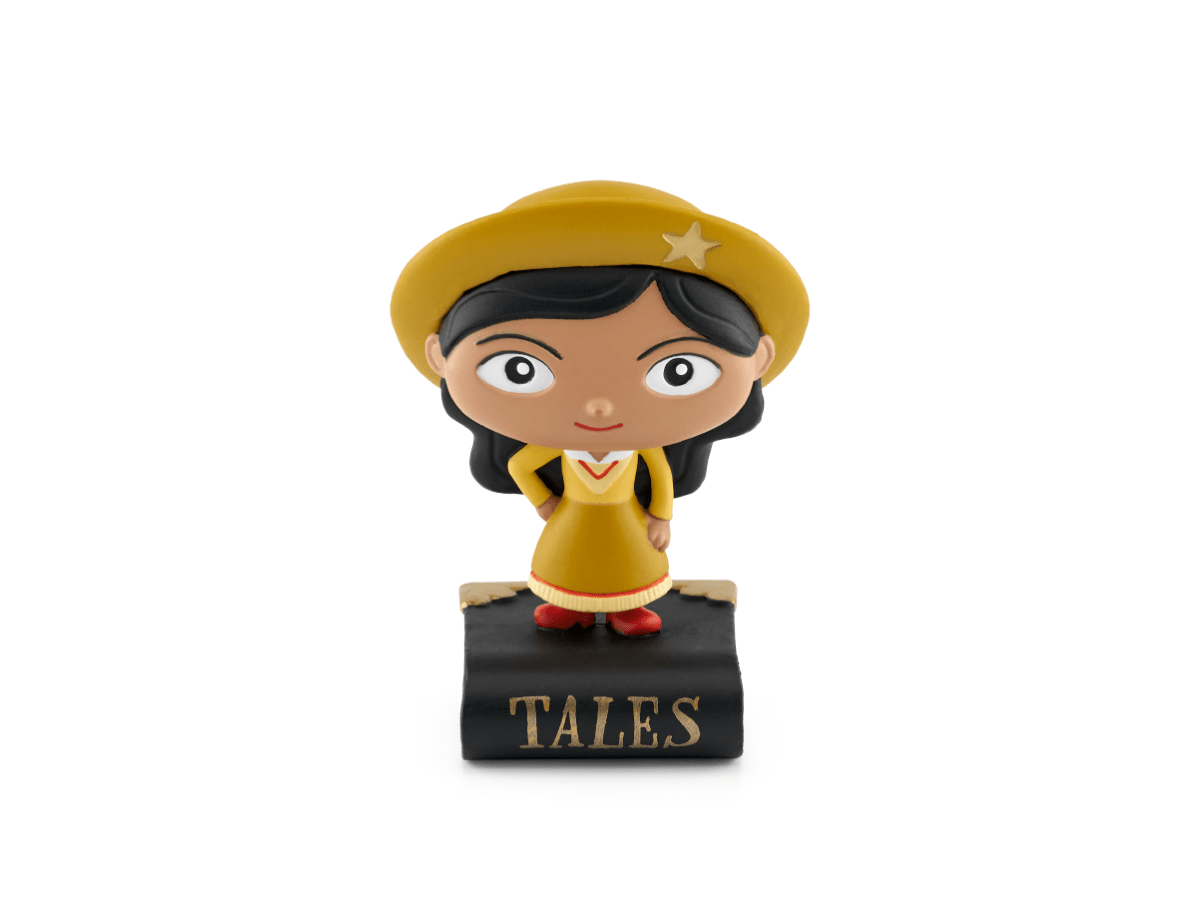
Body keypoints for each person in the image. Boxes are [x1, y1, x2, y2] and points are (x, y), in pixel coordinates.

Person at [391, 181, 809, 636]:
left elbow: (661, 476)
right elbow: (519, 465)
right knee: (565, 565)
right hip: (569, 521)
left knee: (631, 567)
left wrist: (662, 517)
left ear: (759, 359)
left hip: (628, 524)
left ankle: (629, 609)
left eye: (678, 371)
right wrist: (545, 502)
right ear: (439, 356)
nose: (599, 407)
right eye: (520, 369)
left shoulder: (640, 451)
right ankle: (567, 605)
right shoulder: (564, 451)